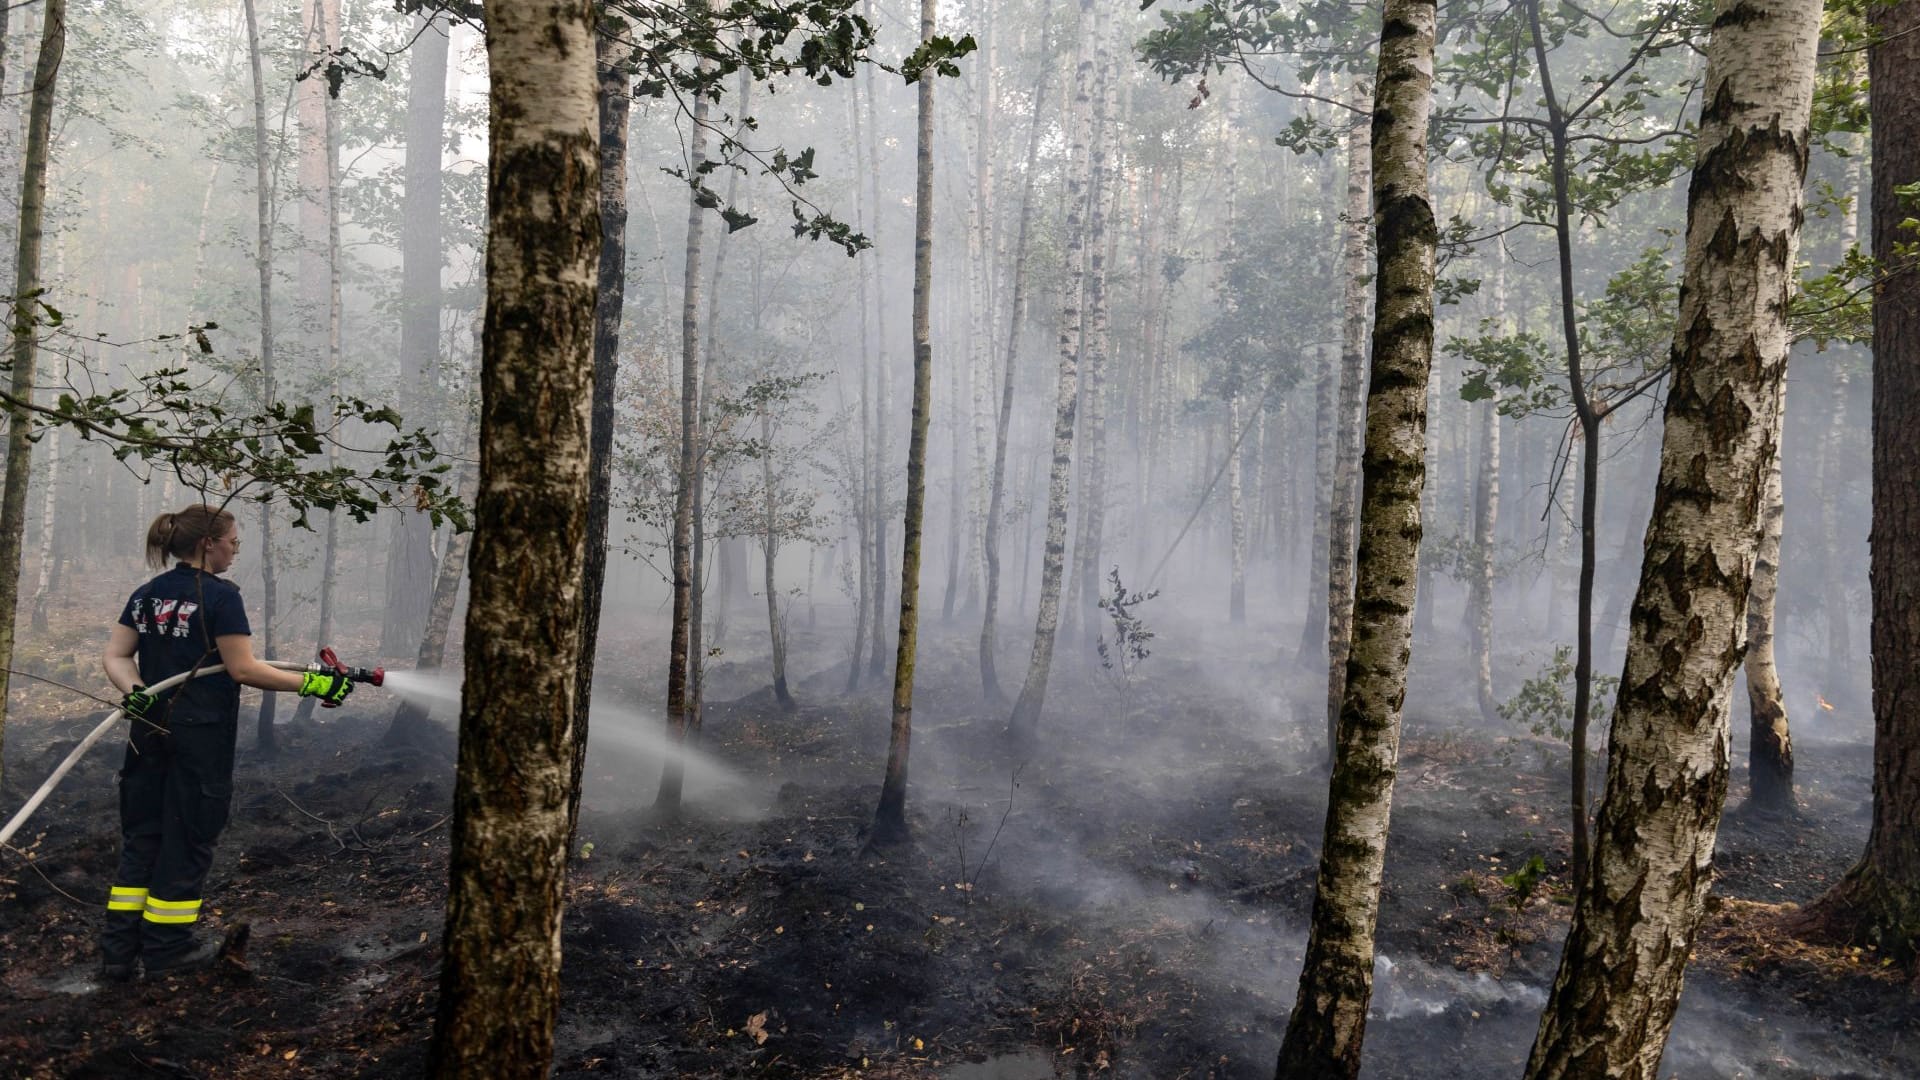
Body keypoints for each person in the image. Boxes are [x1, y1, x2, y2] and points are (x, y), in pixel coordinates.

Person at [97, 503, 354, 981]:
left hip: (147, 733)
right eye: (233, 542)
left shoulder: (148, 594)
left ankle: (117, 954)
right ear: (207, 544)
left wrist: (136, 694)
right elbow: (242, 668)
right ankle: (168, 949)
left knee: (144, 836)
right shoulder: (219, 597)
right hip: (200, 737)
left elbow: (116, 655)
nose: (236, 550)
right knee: (189, 836)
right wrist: (315, 685)